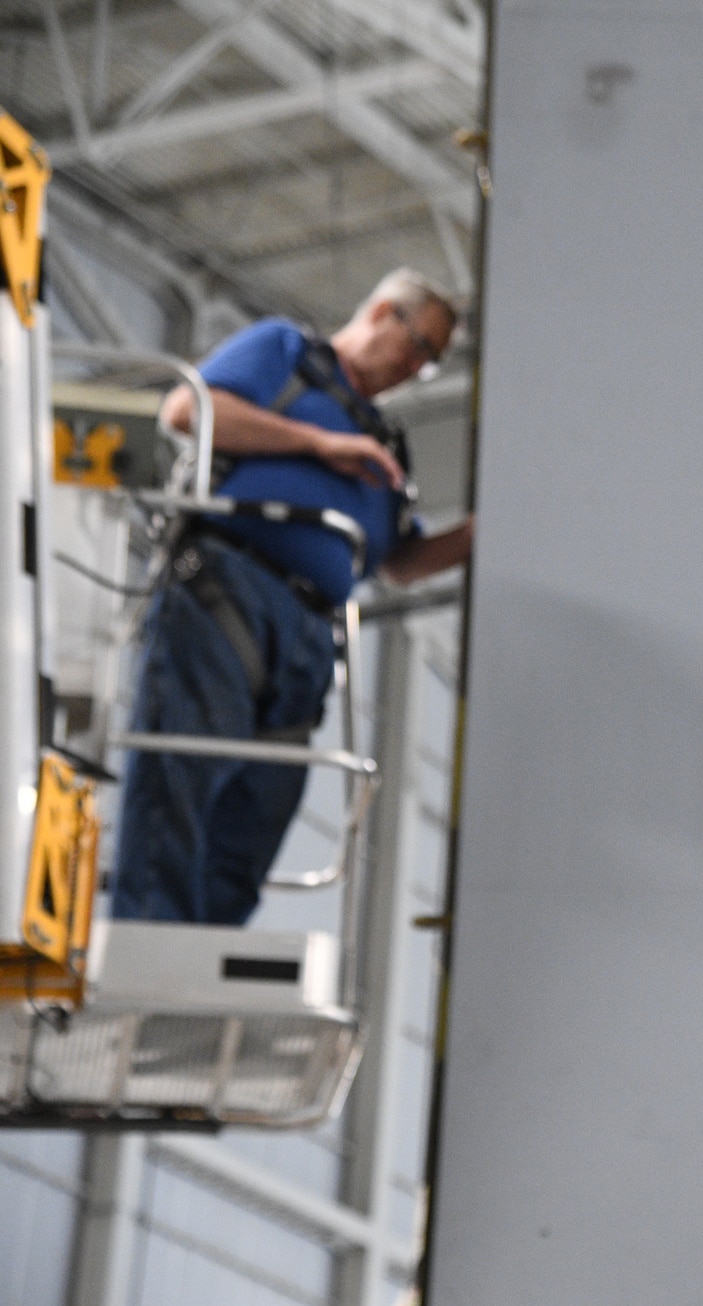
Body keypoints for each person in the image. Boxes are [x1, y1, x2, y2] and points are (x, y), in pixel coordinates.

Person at [111, 269, 475, 925]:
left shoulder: (386, 445)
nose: (417, 367)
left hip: (308, 637)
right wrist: (317, 442)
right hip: (227, 589)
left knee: (259, 809)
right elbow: (187, 410)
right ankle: (147, 940)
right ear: (384, 312)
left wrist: (483, 534)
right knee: (182, 778)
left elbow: (402, 562)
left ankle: (199, 968)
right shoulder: (287, 355)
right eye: (418, 347)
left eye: (430, 364)